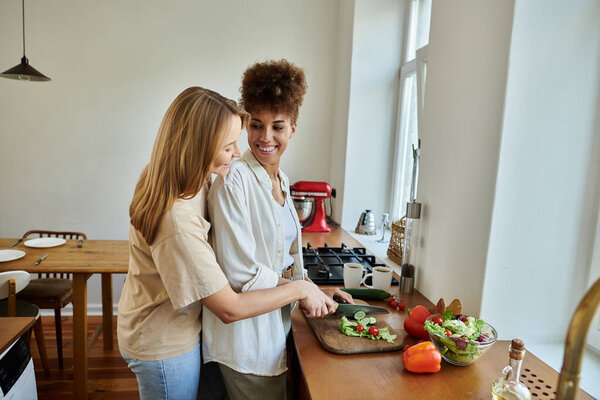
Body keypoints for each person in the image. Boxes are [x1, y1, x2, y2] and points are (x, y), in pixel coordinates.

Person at [117, 86, 336, 400]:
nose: (237, 153)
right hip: (162, 340)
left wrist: (310, 286)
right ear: (198, 147)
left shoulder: (187, 178)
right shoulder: (177, 219)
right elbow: (229, 308)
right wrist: (301, 289)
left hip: (177, 326)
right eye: (228, 145)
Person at [202, 60, 353, 399]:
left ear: (293, 129)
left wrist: (315, 290)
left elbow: (281, 261)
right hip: (245, 344)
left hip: (274, 328)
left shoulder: (282, 181)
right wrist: (301, 289)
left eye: (278, 126)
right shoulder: (233, 181)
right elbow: (240, 275)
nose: (265, 137)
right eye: (256, 125)